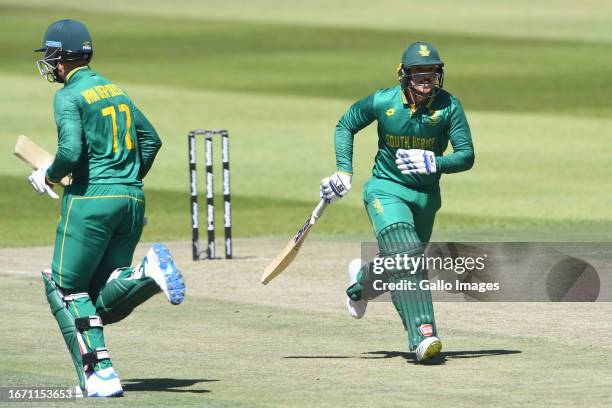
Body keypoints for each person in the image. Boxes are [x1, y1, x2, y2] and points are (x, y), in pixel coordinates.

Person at [29, 19, 186, 396]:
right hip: (131, 200)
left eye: (51, 55)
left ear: (62, 57)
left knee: (63, 287)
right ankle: (145, 275)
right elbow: (152, 141)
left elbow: (69, 152)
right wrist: (125, 177)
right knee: (102, 299)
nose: (50, 63)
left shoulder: (68, 96)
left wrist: (48, 175)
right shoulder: (114, 89)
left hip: (91, 202)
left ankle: (98, 375)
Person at [320, 41, 474, 363]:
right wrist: (343, 171)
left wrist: (436, 162)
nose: (426, 80)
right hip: (385, 189)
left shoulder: (449, 107)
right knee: (407, 257)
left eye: (431, 73)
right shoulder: (383, 101)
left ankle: (360, 283)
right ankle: (424, 337)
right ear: (404, 76)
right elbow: (346, 123)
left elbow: (466, 155)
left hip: (425, 198)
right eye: (419, 73)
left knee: (399, 263)